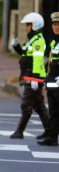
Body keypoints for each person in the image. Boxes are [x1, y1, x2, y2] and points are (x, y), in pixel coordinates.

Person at [10, 12, 49, 139]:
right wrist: (17, 47)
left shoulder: (38, 41)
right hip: (29, 77)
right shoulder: (32, 40)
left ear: (35, 26)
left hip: (33, 78)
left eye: (28, 24)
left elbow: (37, 61)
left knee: (26, 105)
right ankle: (50, 131)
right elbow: (26, 56)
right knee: (39, 106)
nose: (26, 27)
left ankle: (20, 131)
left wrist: (36, 80)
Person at [37, 12, 59, 146]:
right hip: (52, 80)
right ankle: (52, 136)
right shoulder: (53, 41)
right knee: (54, 110)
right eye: (54, 24)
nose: (56, 27)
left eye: (58, 25)